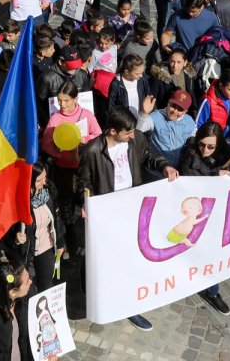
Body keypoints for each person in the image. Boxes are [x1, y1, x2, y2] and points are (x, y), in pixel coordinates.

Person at [78, 107, 178, 331]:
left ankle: (129, 304)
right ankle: (95, 290)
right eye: (128, 132)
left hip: (133, 208)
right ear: (113, 131)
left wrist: (164, 166)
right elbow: (84, 181)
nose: (132, 135)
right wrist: (86, 202)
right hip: (108, 213)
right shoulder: (92, 150)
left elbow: (147, 156)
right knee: (106, 258)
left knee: (131, 257)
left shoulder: (136, 139)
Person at [174, 120, 230, 314]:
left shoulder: (226, 153)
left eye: (211, 147)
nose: (205, 150)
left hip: (220, 212)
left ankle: (213, 291)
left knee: (214, 254)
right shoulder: (190, 156)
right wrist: (218, 176)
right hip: (198, 214)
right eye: (202, 144)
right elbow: (194, 186)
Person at [9, 163, 65, 293]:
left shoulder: (49, 191)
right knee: (26, 289)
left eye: (45, 177)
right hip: (26, 252)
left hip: (46, 247)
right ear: (29, 180)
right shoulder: (19, 199)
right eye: (39, 180)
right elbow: (9, 229)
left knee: (46, 286)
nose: (44, 182)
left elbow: (57, 219)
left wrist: (60, 243)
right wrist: (16, 239)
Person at [145, 89, 198, 170]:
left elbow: (194, 140)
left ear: (186, 111)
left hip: (179, 170)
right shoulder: (155, 116)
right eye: (173, 106)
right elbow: (137, 131)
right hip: (158, 170)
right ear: (169, 102)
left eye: (180, 109)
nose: (175, 111)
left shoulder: (189, 121)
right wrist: (144, 113)